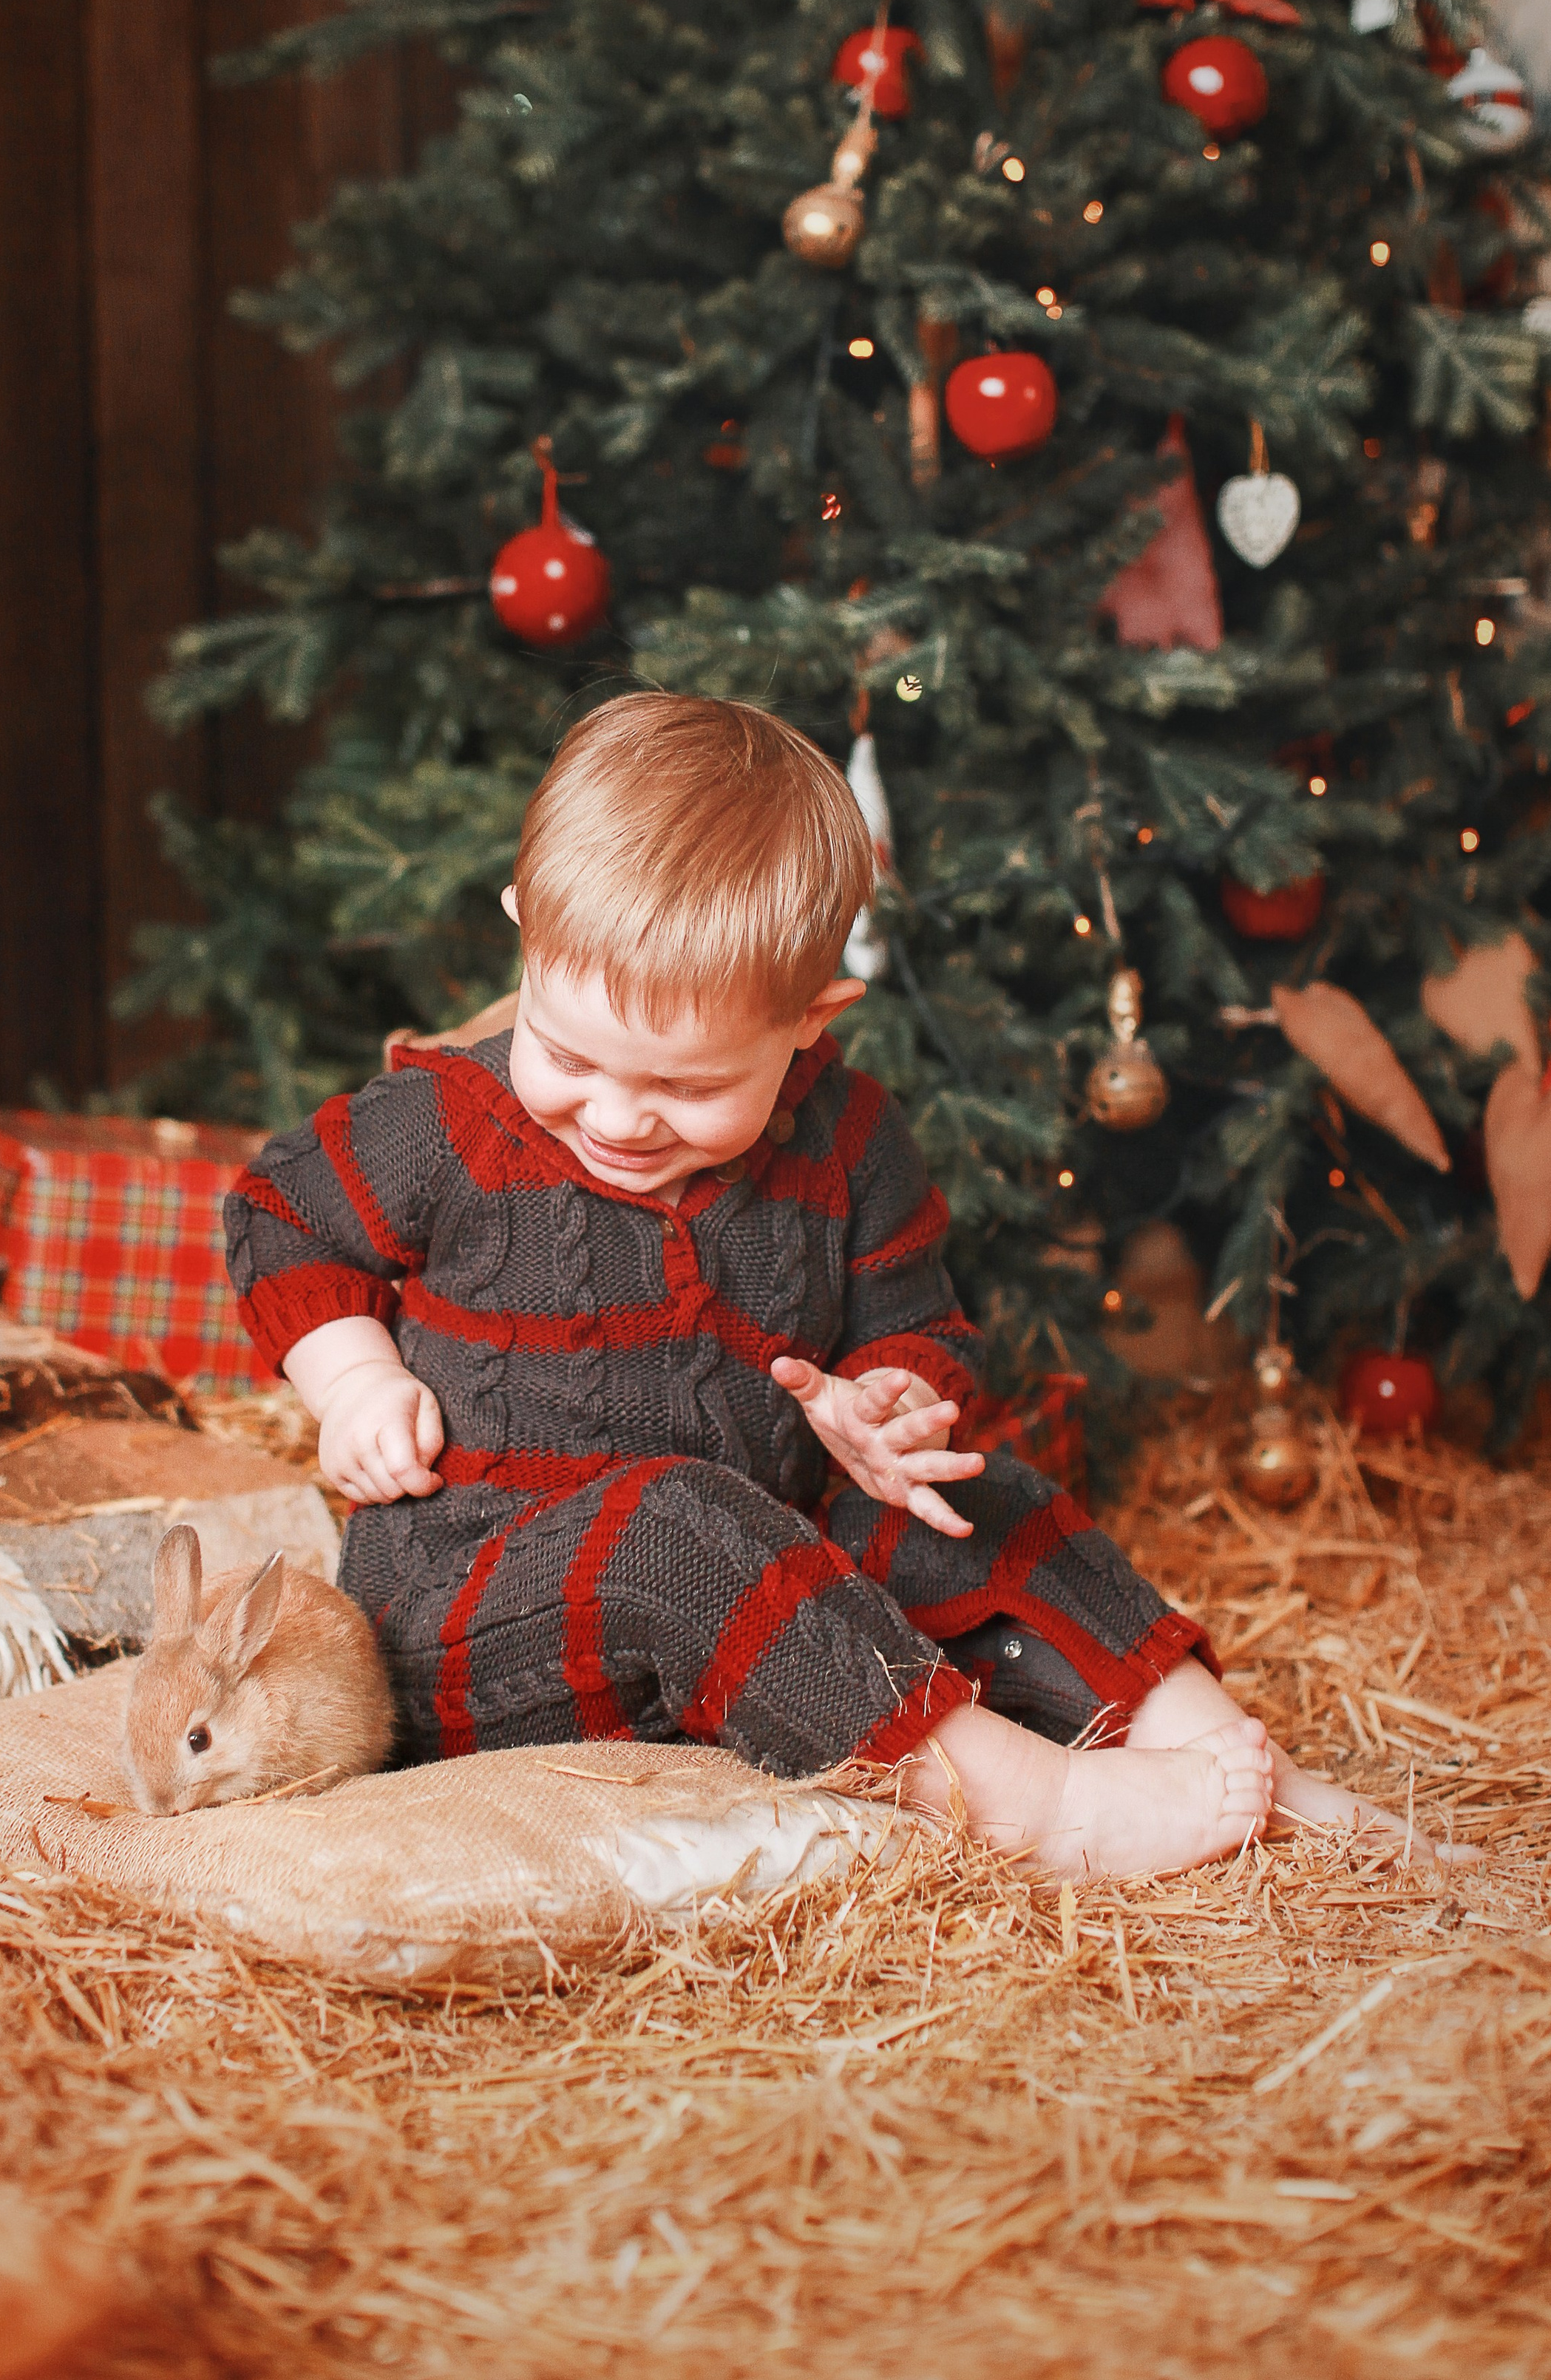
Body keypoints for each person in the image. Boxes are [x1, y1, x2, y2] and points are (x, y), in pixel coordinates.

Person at [225, 693, 1413, 1875]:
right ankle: (1035, 1807)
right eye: (572, 1055)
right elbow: (276, 1214)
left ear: (810, 1019)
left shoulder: (847, 1136)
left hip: (765, 1575)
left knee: (968, 1499)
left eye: (687, 1087)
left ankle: (1227, 1758)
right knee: (676, 1521)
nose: (621, 1116)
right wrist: (353, 1378)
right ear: (526, 932)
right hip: (471, 1616)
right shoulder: (445, 1123)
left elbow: (917, 1320)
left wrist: (889, 1400)